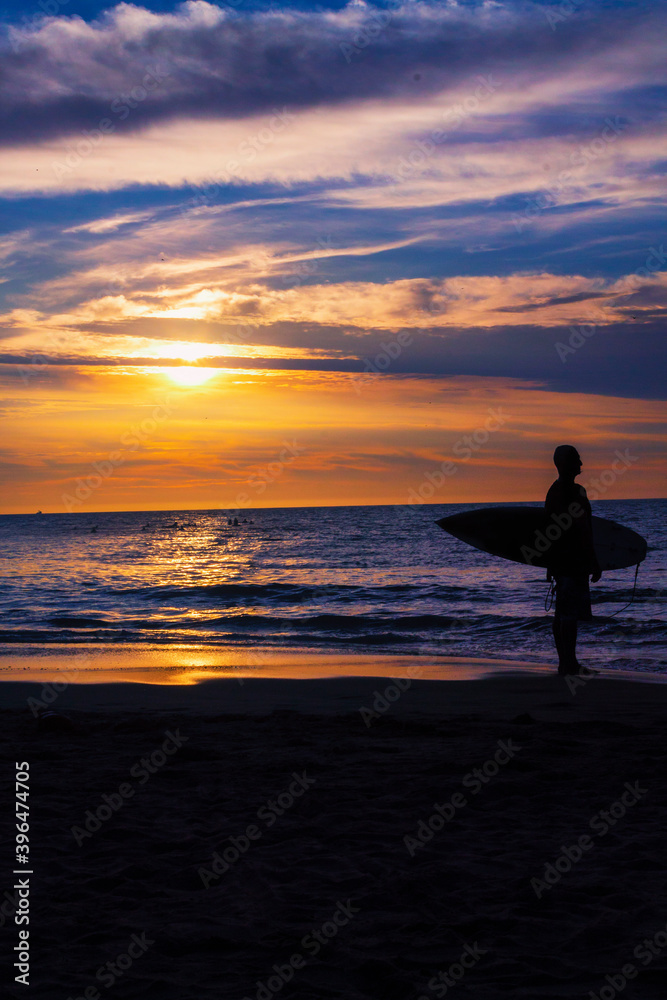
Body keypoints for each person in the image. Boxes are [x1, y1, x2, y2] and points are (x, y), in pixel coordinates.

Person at [544, 445, 601, 676]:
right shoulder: (576, 492)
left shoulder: (552, 492)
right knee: (569, 616)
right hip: (574, 561)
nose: (581, 464)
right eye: (577, 459)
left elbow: (548, 531)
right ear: (566, 464)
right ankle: (570, 665)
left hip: (560, 561)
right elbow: (583, 529)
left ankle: (565, 663)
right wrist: (594, 562)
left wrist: (549, 563)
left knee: (562, 614)